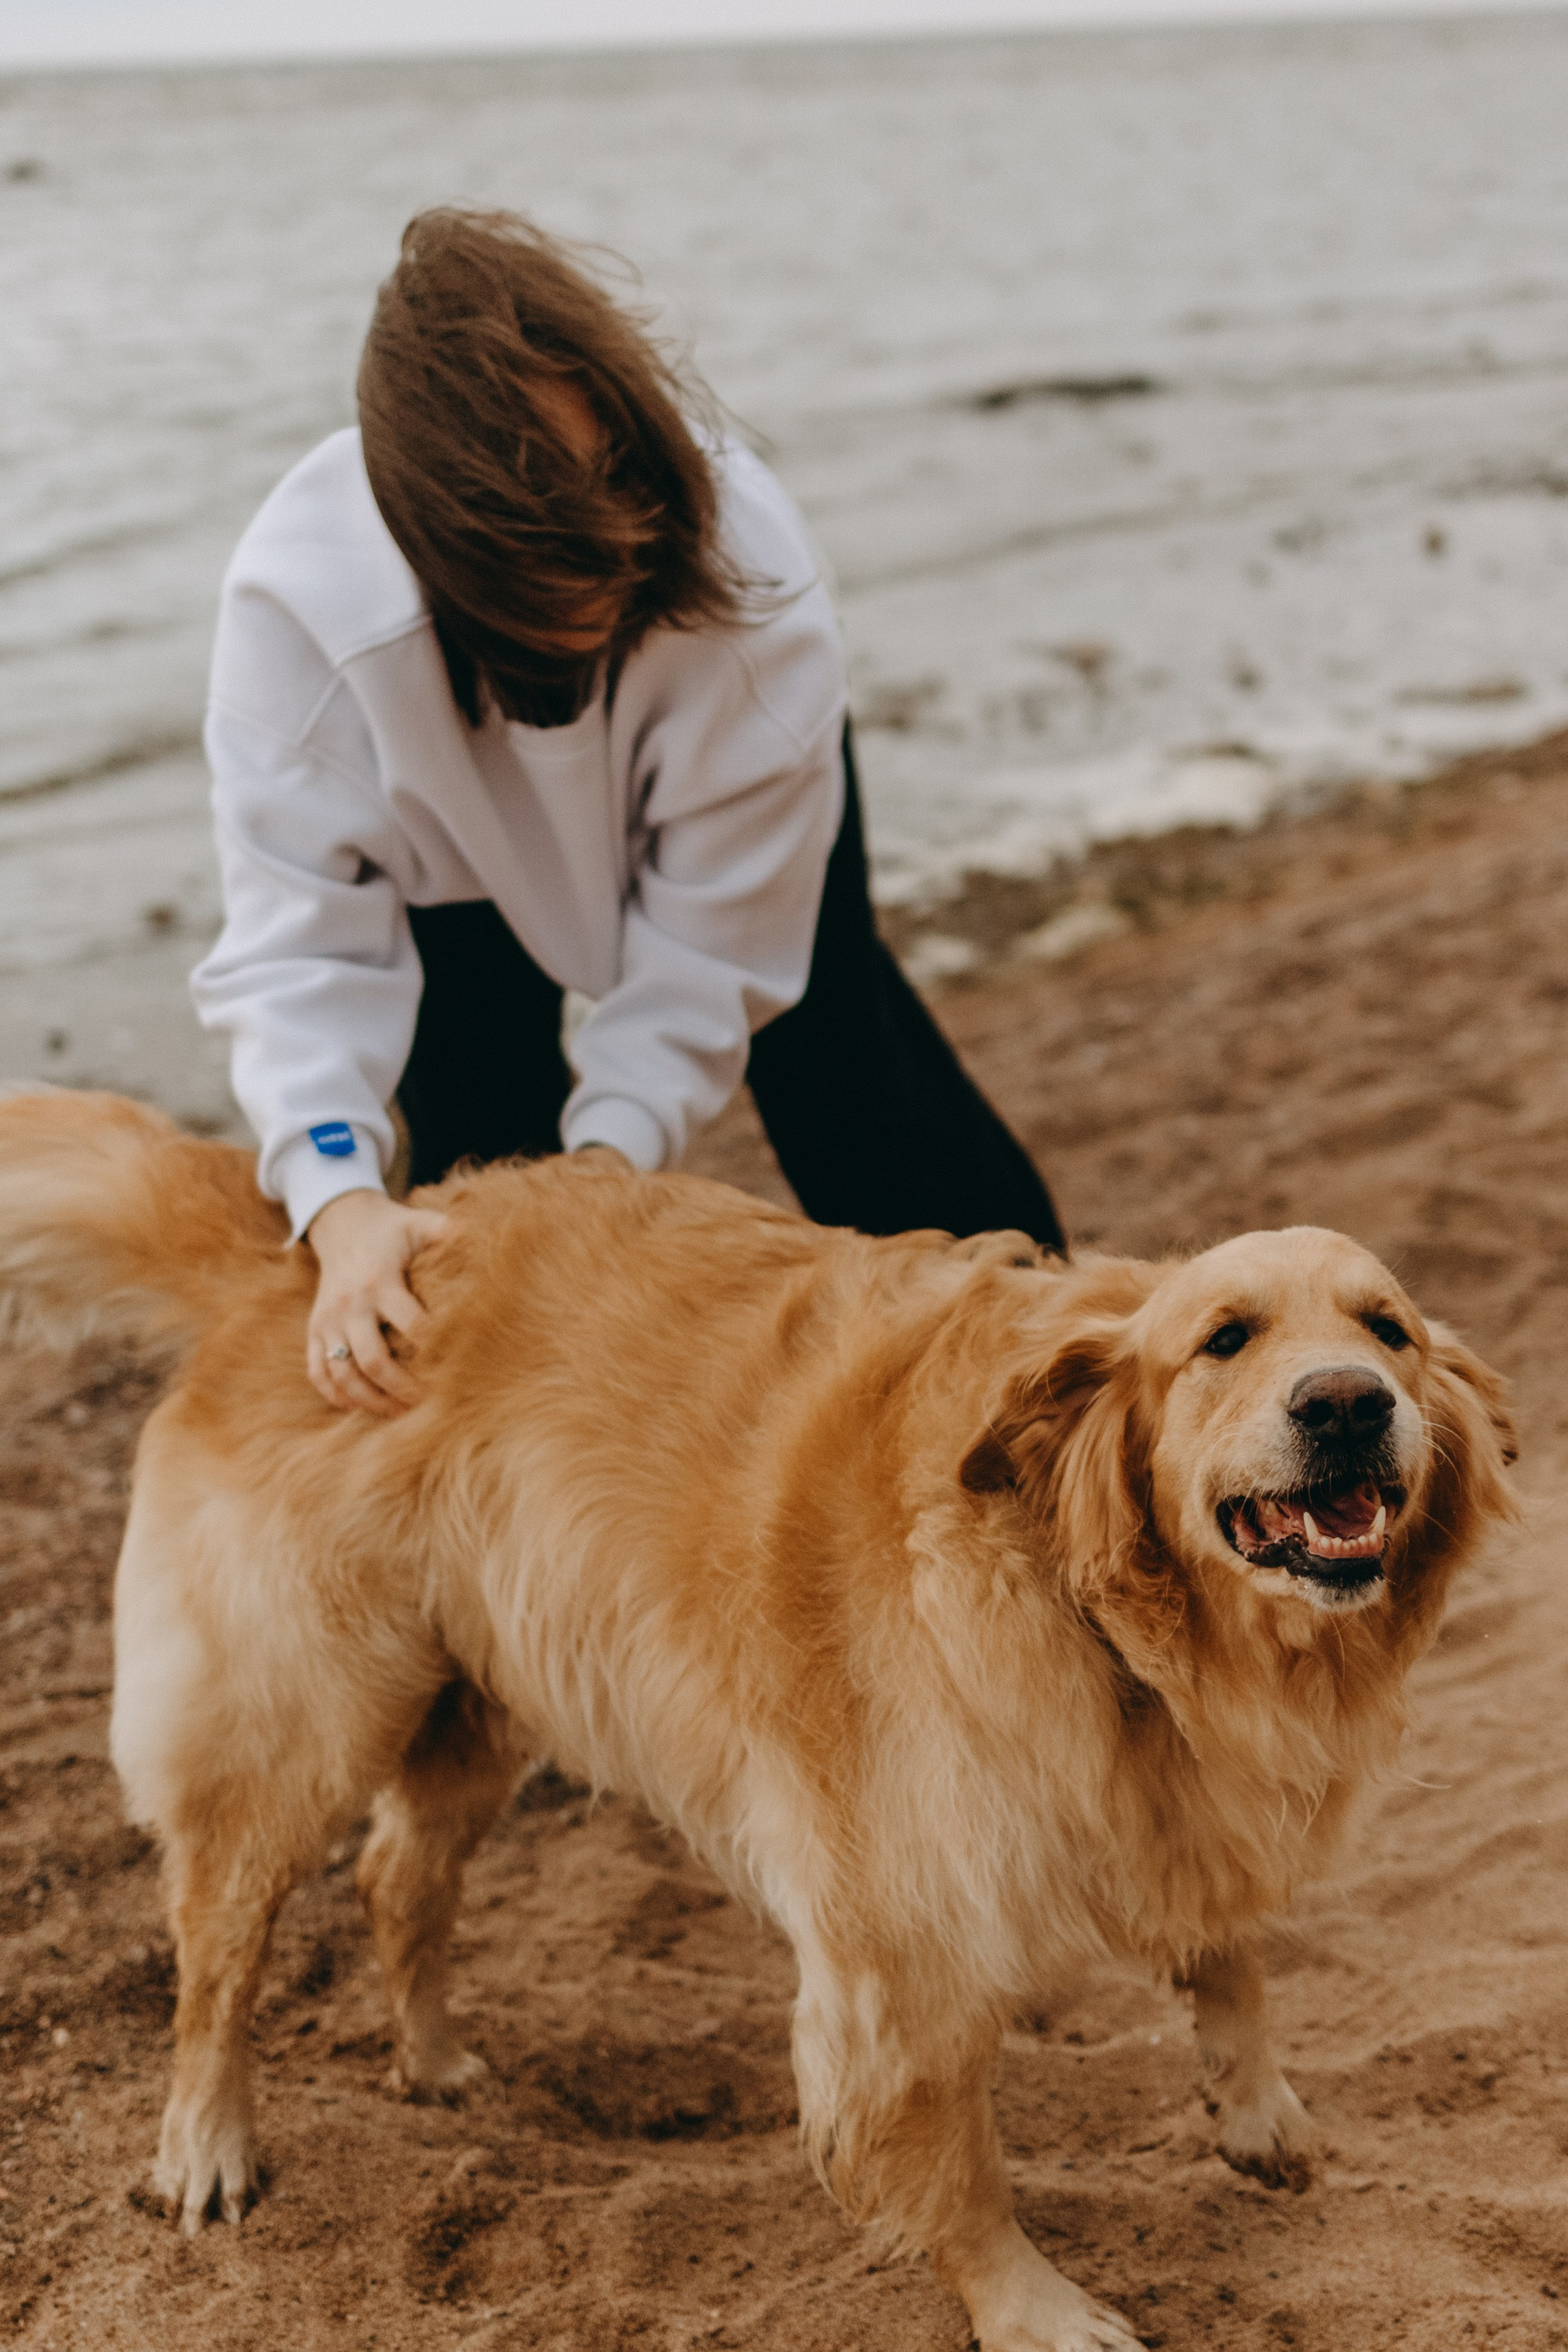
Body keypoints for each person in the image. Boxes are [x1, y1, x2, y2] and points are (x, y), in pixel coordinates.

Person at [193, 208, 1064, 1418]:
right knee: (477, 1158)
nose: (597, 575)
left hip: (729, 781)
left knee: (844, 1067)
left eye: (609, 506)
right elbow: (299, 951)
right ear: (431, 544)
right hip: (448, 855)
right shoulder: (303, 626)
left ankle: (1048, 1360)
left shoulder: (754, 594)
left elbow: (705, 962)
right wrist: (337, 1200)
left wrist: (607, 1170)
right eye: (542, 558)